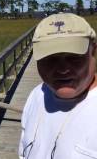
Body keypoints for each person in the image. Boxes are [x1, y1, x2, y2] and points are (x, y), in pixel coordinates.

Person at [18, 13, 97, 159]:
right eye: (50, 58)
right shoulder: (37, 95)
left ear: (93, 50)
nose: (62, 69)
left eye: (73, 57)